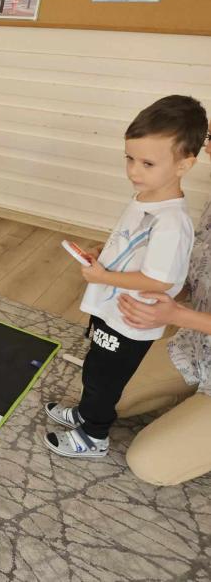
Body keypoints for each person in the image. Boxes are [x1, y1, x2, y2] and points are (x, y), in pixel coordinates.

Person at [44, 95, 208, 459]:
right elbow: (130, 244)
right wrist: (104, 255)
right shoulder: (145, 197)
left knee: (105, 380)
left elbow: (160, 280)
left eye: (147, 163)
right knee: (94, 368)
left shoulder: (172, 222)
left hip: (131, 318)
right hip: (112, 307)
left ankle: (94, 436)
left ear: (185, 164)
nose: (134, 170)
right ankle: (86, 413)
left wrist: (105, 276)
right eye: (129, 158)